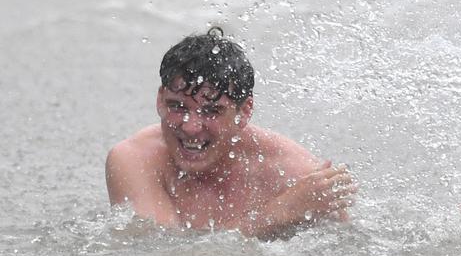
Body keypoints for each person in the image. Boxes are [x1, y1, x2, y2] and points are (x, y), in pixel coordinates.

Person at [105, 27, 355, 239]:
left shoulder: (295, 175)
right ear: (160, 100)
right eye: (177, 106)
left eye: (211, 111)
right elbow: (161, 253)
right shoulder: (134, 159)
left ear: (244, 111)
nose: (191, 126)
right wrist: (281, 213)